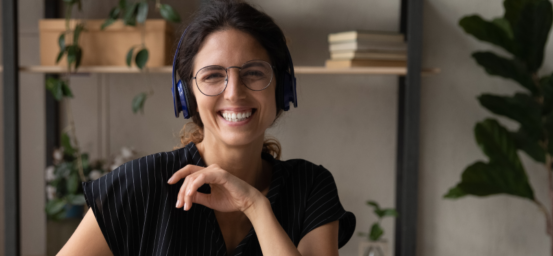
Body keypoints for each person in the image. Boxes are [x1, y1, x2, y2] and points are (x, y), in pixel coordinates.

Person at [58, 1, 355, 255]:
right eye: (213, 75)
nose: (234, 93)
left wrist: (254, 205)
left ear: (282, 88)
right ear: (187, 96)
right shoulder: (140, 186)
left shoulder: (310, 187)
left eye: (253, 73)